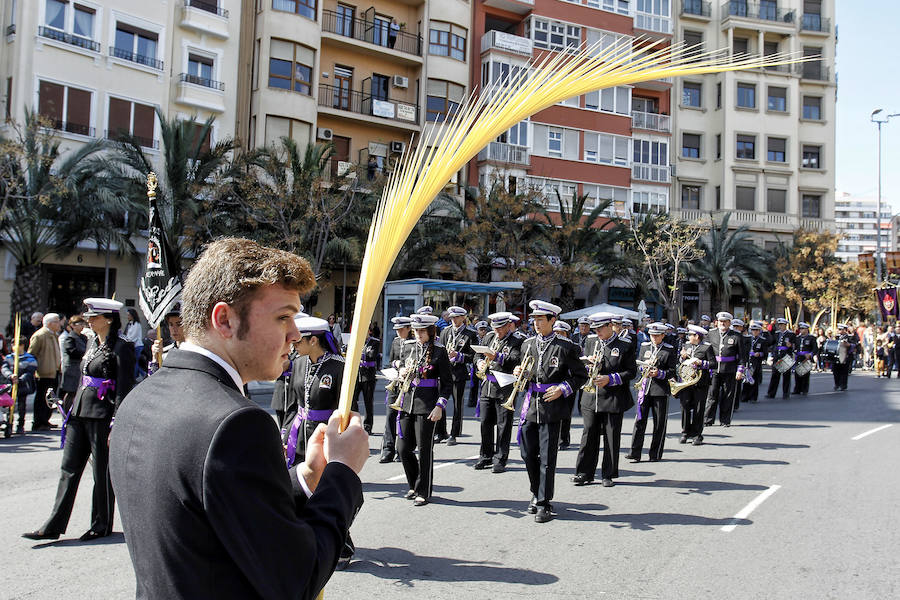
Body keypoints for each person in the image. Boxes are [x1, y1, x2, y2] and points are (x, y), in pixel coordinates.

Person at [109, 238, 368, 599]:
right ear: (225, 320)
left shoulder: (141, 396)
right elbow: (298, 579)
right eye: (283, 317)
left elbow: (216, 509)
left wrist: (307, 478)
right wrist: (342, 472)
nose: (295, 335)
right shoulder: (236, 423)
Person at [22, 298, 135, 542]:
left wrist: (117, 421)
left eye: (94, 317)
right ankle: (53, 524)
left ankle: (101, 523)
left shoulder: (122, 346)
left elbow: (123, 387)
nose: (89, 321)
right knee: (69, 469)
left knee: (101, 472)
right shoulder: (92, 341)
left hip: (103, 414)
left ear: (108, 319)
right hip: (79, 411)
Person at [514, 300, 588, 523]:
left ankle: (543, 502)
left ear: (552, 320)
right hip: (530, 404)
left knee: (547, 458)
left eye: (540, 319)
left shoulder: (566, 347)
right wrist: (519, 372)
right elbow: (526, 372)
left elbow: (580, 376)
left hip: (552, 406)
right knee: (527, 454)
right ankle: (536, 492)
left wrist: (563, 388)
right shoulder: (527, 345)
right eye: (534, 319)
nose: (536, 323)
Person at [396, 312, 453, 506]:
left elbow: (447, 384)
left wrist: (440, 406)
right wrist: (401, 371)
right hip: (406, 403)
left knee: (425, 450)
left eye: (422, 331)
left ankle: (423, 490)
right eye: (416, 330)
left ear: (429, 330)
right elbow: (401, 367)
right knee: (402, 448)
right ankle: (413, 484)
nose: (418, 334)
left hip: (428, 405)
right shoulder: (408, 346)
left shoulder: (439, 350)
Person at [573, 312, 635, 486]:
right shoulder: (591, 341)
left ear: (610, 326)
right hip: (591, 396)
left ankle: (608, 474)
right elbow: (582, 364)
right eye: (595, 329)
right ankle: (584, 473)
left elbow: (631, 372)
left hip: (613, 396)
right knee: (588, 435)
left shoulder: (625, 345)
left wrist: (610, 379)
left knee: (611, 437)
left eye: (600, 328)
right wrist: (587, 363)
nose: (597, 332)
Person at [473, 311, 523, 474]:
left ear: (508, 326)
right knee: (485, 422)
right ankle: (485, 455)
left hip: (505, 387)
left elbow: (516, 359)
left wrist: (497, 356)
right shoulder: (489, 337)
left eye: (500, 328)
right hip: (488, 385)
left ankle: (500, 458)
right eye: (495, 328)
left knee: (504, 424)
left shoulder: (517, 340)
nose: (497, 331)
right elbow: (477, 355)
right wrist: (480, 362)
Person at [626, 322, 677, 462]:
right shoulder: (644, 347)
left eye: (656, 335)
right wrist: (644, 370)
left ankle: (655, 453)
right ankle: (635, 452)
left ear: (662, 335)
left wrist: (659, 373)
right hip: (645, 388)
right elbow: (639, 364)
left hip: (660, 390)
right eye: (651, 335)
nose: (653, 338)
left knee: (659, 423)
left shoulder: (669, 350)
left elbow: (672, 371)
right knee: (639, 421)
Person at [436, 306, 477, 445]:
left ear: (463, 318)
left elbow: (474, 356)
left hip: (459, 372)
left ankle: (454, 433)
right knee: (440, 402)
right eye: (452, 317)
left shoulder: (470, 334)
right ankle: (441, 432)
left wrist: (458, 356)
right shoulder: (445, 331)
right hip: (444, 372)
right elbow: (439, 351)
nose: (453, 320)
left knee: (457, 404)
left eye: (456, 317)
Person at [703, 312, 747, 427]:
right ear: (717, 322)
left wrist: (740, 370)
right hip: (714, 369)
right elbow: (705, 351)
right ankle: (708, 419)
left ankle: (725, 420)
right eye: (721, 321)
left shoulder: (736, 336)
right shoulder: (711, 334)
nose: (722, 323)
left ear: (729, 323)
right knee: (712, 395)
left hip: (729, 369)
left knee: (728, 396)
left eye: (725, 321)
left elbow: (742, 356)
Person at [677, 324, 715, 445]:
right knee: (685, 407)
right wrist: (681, 358)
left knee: (699, 408)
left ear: (697, 336)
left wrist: (701, 363)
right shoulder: (686, 345)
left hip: (700, 382)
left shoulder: (706, 347)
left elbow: (713, 364)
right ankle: (685, 432)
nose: (689, 337)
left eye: (691, 335)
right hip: (687, 382)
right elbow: (680, 361)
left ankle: (697, 434)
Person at [381, 316, 411, 463]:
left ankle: (402, 449)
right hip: (396, 382)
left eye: (401, 330)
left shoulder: (414, 343)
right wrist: (396, 364)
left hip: (409, 384)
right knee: (390, 415)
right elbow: (391, 360)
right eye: (397, 330)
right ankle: (388, 449)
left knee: (404, 417)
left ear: (408, 329)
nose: (398, 333)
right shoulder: (395, 342)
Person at [28, 313, 62, 431]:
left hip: (54, 371)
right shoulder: (40, 335)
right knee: (41, 398)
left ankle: (45, 420)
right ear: (49, 323)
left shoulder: (54, 335)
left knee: (50, 398)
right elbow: (31, 354)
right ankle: (38, 422)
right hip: (43, 372)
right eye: (57, 321)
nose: (59, 324)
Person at [561, 316, 591, 450]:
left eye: (585, 325)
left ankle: (564, 439)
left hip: (575, 377)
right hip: (558, 380)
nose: (583, 328)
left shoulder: (589, 339)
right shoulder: (575, 337)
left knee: (569, 409)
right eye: (581, 325)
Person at [2, 338, 38, 434]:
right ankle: (9, 424)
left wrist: (20, 379)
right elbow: (4, 368)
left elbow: (30, 371)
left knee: (22, 405)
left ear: (22, 345)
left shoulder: (30, 358)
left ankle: (20, 425)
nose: (14, 347)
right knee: (10, 406)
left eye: (16, 345)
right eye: (13, 345)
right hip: (10, 384)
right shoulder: (9, 358)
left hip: (22, 385)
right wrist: (10, 376)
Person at [352, 324, 381, 434]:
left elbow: (371, 355)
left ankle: (368, 426)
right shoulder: (356, 341)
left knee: (368, 402)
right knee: (353, 401)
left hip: (368, 376)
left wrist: (359, 354)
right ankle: (355, 424)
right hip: (357, 375)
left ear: (369, 331)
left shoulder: (375, 342)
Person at [59, 316, 88, 408]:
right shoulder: (69, 338)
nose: (82, 326)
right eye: (80, 324)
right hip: (72, 368)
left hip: (80, 367)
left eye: (83, 324)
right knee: (71, 392)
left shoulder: (84, 337)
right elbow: (72, 352)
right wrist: (84, 354)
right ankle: (67, 412)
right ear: (73, 325)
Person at [148, 307, 186, 375]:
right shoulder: (164, 353)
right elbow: (152, 380)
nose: (174, 329)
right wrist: (155, 359)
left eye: (179, 324)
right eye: (171, 324)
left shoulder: (197, 351)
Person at [766, 318, 796, 399]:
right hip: (777, 356)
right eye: (779, 325)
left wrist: (791, 345)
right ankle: (771, 393)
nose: (780, 326)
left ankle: (786, 393)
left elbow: (795, 345)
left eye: (782, 325)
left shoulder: (791, 334)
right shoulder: (776, 334)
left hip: (786, 356)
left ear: (785, 325)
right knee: (775, 375)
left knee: (786, 376)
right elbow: (772, 342)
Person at [741, 321, 769, 404]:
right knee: (746, 380)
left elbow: (765, 353)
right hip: (748, 361)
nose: (755, 332)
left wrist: (760, 354)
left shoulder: (762, 340)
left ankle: (753, 397)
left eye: (756, 330)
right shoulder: (747, 339)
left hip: (756, 362)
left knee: (754, 380)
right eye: (753, 330)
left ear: (759, 331)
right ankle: (744, 396)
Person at [792, 322, 818, 395]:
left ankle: (804, 389)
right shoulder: (797, 338)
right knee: (797, 374)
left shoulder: (811, 338)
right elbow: (795, 347)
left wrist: (810, 354)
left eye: (803, 329)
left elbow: (815, 348)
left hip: (806, 357)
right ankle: (797, 389)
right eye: (800, 329)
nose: (801, 330)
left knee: (805, 374)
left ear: (807, 329)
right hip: (799, 357)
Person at [833, 323, 855, 391]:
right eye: (838, 329)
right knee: (836, 371)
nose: (838, 331)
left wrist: (849, 345)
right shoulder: (836, 337)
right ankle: (837, 384)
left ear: (844, 330)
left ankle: (843, 385)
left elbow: (854, 345)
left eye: (840, 329)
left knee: (844, 371)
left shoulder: (849, 337)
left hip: (846, 356)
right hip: (836, 356)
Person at [124, 308, 144, 379]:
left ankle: (135, 376)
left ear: (133, 315)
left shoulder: (137, 324)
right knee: (133, 362)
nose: (128, 317)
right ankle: (143, 374)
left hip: (137, 346)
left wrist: (127, 341)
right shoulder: (129, 325)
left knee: (134, 362)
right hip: (131, 346)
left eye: (129, 315)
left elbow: (133, 337)